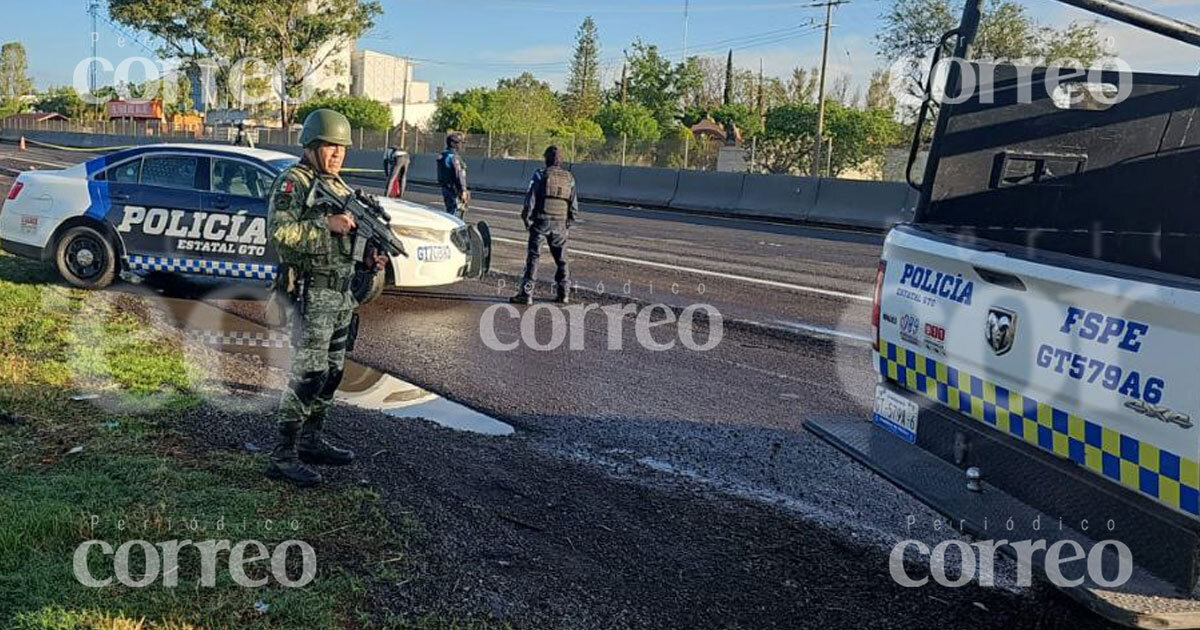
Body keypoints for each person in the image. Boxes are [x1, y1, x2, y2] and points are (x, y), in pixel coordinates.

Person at [265, 108, 387, 487]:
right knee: (308, 374)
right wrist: (326, 224)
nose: (336, 154)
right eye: (329, 147)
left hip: (340, 296)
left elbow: (345, 238)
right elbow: (279, 234)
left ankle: (311, 441)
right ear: (311, 146)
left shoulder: (338, 186)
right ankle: (283, 455)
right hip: (311, 293)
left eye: (341, 149)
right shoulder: (294, 182)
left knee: (332, 374)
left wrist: (368, 255)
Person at [511, 145, 578, 305]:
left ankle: (526, 294)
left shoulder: (540, 175)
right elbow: (574, 205)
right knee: (562, 260)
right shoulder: (569, 178)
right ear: (561, 160)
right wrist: (567, 223)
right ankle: (564, 294)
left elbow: (530, 200)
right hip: (560, 224)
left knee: (533, 258)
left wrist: (527, 220)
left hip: (541, 222)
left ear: (546, 159)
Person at [437, 131, 468, 217]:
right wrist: (463, 190)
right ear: (453, 143)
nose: (461, 145)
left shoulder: (443, 154)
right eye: (459, 143)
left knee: (450, 211)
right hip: (453, 189)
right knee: (455, 214)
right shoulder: (453, 157)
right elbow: (459, 174)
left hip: (446, 188)